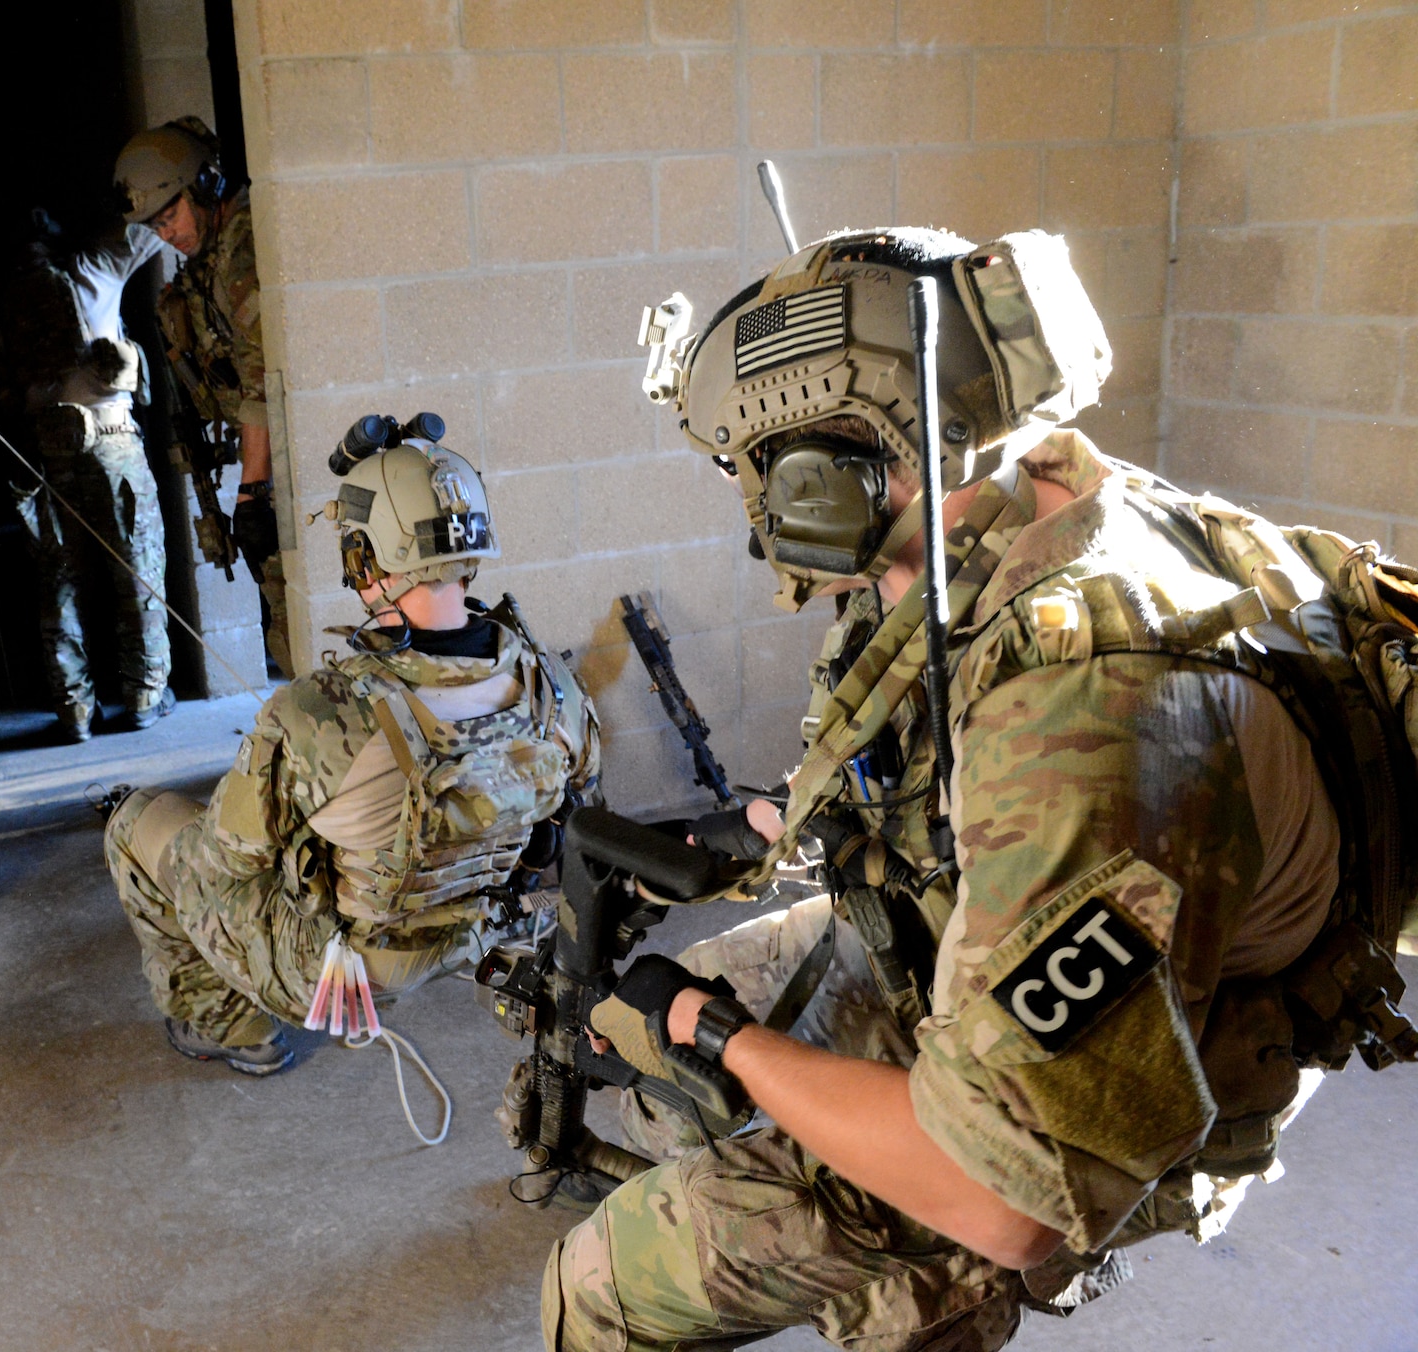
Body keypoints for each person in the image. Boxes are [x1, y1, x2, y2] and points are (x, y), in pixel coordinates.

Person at [547, 225, 1416, 1349]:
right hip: (1016, 920)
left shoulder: (1083, 696)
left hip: (1132, 1087)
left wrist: (711, 1033)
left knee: (593, 1283)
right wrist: (773, 820)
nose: (754, 507)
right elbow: (920, 761)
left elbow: (1004, 1198)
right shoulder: (1011, 523)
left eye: (752, 469)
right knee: (673, 1038)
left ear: (822, 477)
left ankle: (909, 1273)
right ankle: (891, 1288)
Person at [104, 422, 600, 1075]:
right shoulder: (554, 686)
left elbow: (224, 858)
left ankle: (232, 1024)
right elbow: (566, 821)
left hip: (347, 972)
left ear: (367, 559)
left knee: (140, 821)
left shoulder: (320, 712)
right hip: (480, 931)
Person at [114, 117, 293, 678]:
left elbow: (260, 380)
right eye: (155, 225)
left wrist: (251, 494)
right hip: (268, 467)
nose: (165, 234)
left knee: (292, 622)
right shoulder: (206, 262)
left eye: (169, 216)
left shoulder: (240, 247)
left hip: (281, 467)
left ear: (206, 186)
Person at [0, 208, 174, 740]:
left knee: (60, 582)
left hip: (46, 450)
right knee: (137, 569)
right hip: (111, 442)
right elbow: (150, 227)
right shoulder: (92, 267)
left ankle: (74, 710)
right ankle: (144, 696)